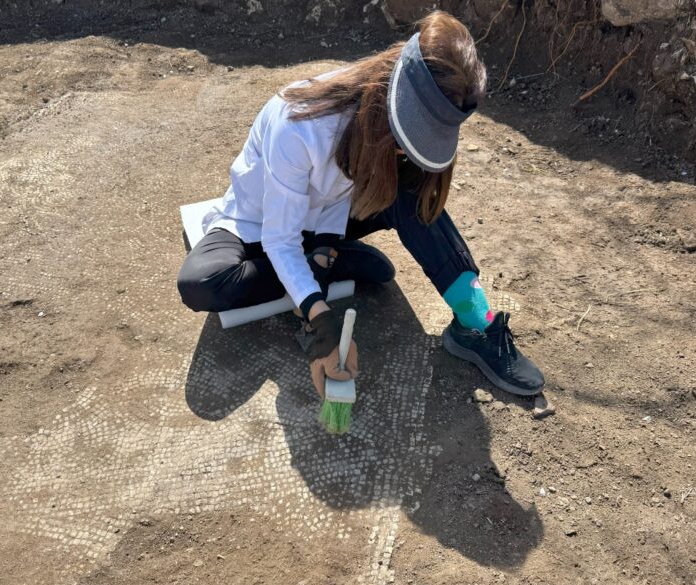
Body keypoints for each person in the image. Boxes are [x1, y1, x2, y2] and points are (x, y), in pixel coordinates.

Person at [177, 11, 544, 400]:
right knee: (200, 284)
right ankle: (334, 265)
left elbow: (342, 190)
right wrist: (319, 318)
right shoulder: (298, 123)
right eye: (413, 133)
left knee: (410, 193)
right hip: (261, 221)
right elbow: (280, 238)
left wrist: (324, 247)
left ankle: (476, 321)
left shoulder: (386, 118)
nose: (408, 148)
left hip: (326, 219)